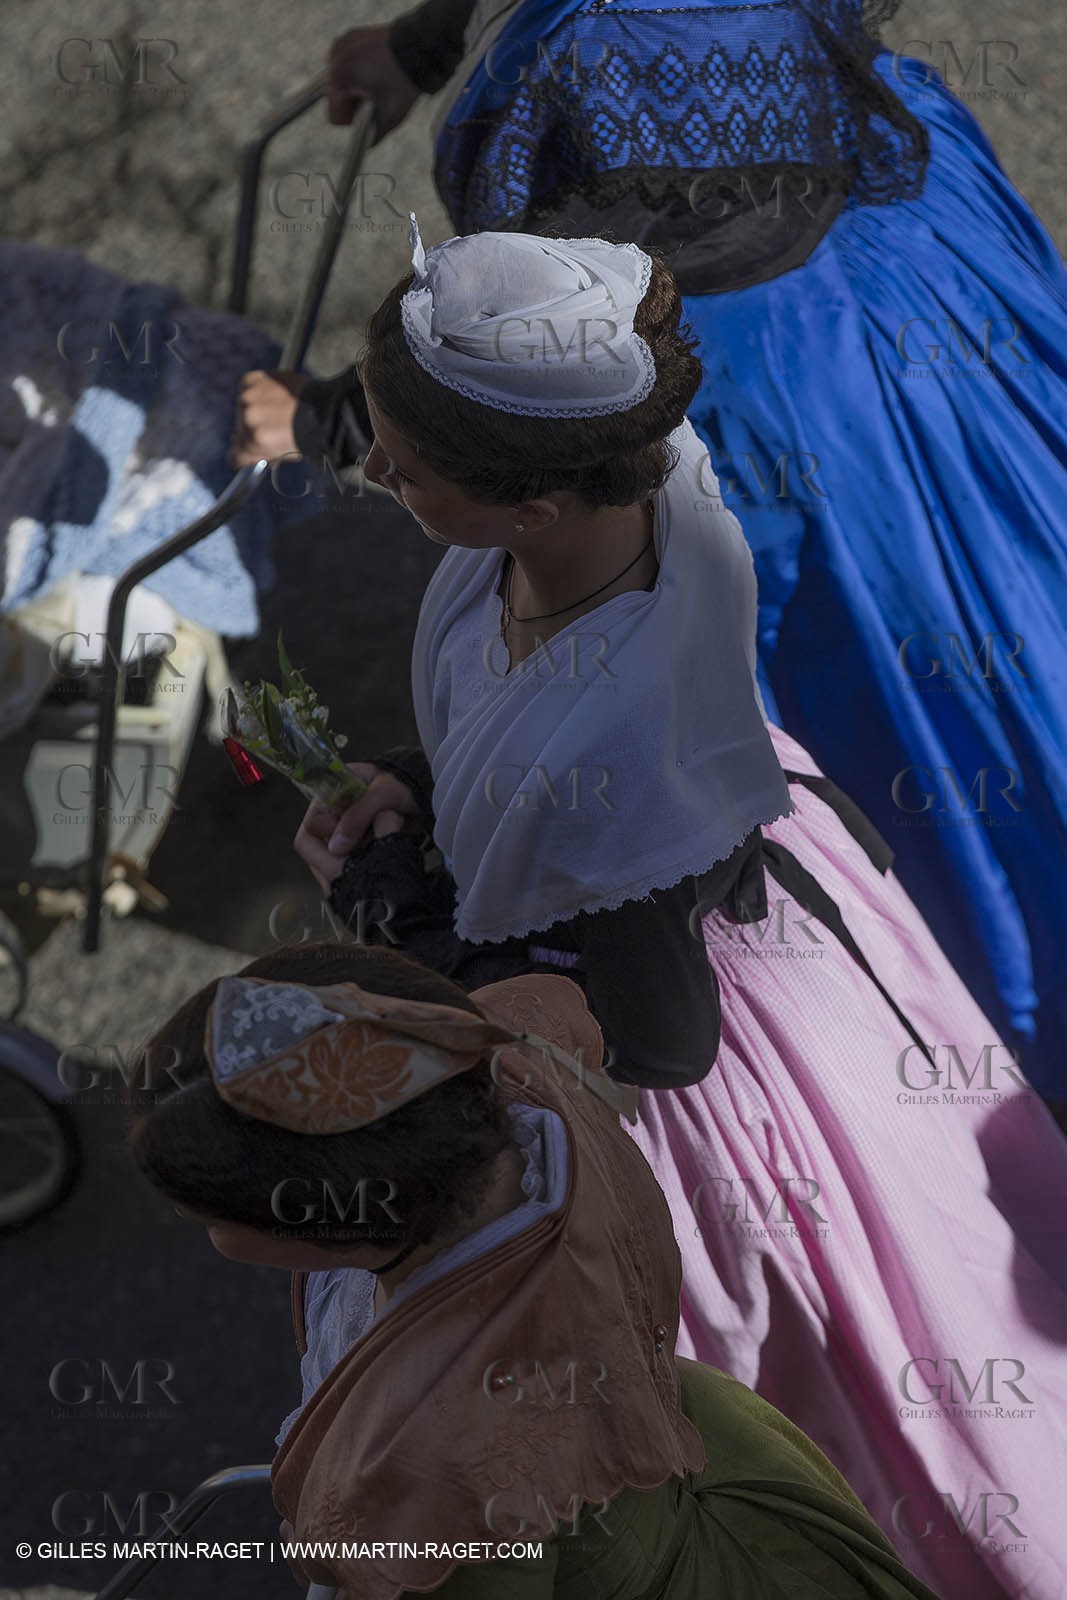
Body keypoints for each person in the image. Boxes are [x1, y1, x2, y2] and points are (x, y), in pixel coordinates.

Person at [286, 224, 1067, 1600]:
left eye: (404, 471)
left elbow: (645, 1039)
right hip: (696, 902)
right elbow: (511, 740)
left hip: (688, 1062)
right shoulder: (624, 489)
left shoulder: (626, 732)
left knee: (798, 1396)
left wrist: (382, 902)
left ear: (530, 507)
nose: (372, 474)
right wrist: (419, 785)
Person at [236, 0, 1067, 1103]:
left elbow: (560, 320)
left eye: (410, 473)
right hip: (865, 278)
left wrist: (341, 422)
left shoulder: (622, 668)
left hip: (787, 362)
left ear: (528, 499)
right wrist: (428, 44)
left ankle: (969, 1010)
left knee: (873, 701)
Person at [129, 943, 943, 1599]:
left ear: (322, 1224)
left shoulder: (440, 1459)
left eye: (204, 1213)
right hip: (697, 1463)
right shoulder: (503, 1077)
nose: (192, 1224)